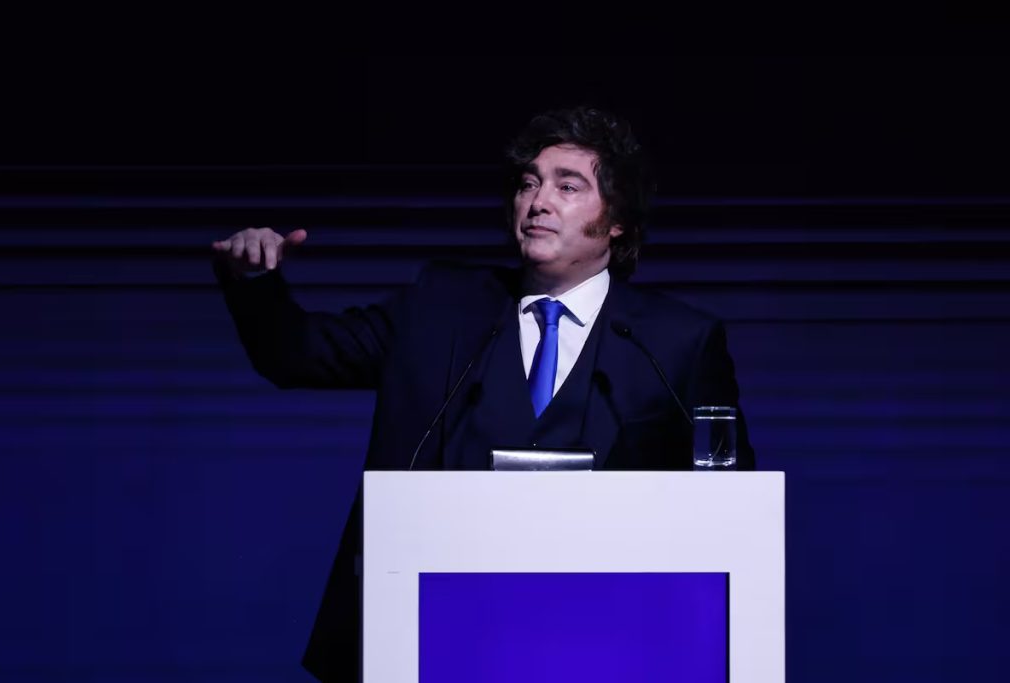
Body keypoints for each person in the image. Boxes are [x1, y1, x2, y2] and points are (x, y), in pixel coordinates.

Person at [212, 106, 755, 682]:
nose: (538, 201)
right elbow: (296, 355)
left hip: (604, 639)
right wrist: (254, 279)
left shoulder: (677, 341)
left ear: (616, 218)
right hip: (433, 631)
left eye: (568, 186)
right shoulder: (440, 307)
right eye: (528, 184)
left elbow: (731, 502)